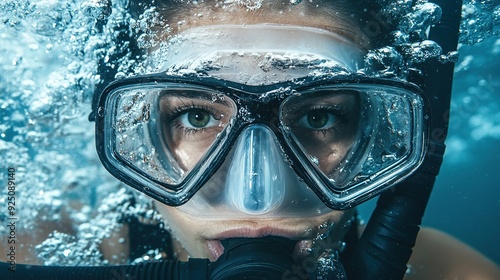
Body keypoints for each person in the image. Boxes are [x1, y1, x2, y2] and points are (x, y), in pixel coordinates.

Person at [3, 0, 499, 279]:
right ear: (134, 133)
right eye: (196, 117)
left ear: (379, 135)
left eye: (320, 116)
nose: (259, 199)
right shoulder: (36, 250)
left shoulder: (452, 272)